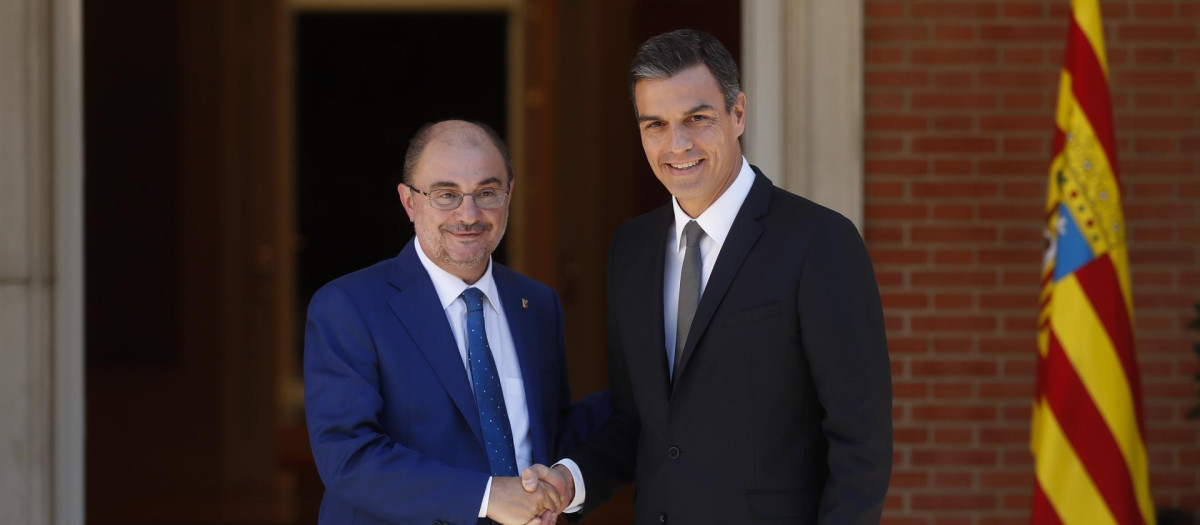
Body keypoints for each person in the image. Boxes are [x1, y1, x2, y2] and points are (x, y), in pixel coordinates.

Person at [526, 29, 892, 523]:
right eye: (655, 124)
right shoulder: (630, 250)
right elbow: (638, 420)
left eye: (696, 118)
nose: (677, 144)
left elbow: (860, 441)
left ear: (737, 113)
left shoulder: (820, 242)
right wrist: (573, 481)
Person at [304, 120, 607, 525]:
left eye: (486, 193)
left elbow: (550, 433)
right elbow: (348, 456)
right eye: (446, 195)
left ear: (509, 195)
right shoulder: (348, 307)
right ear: (409, 202)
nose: (469, 214)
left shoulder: (537, 304)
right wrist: (486, 497)